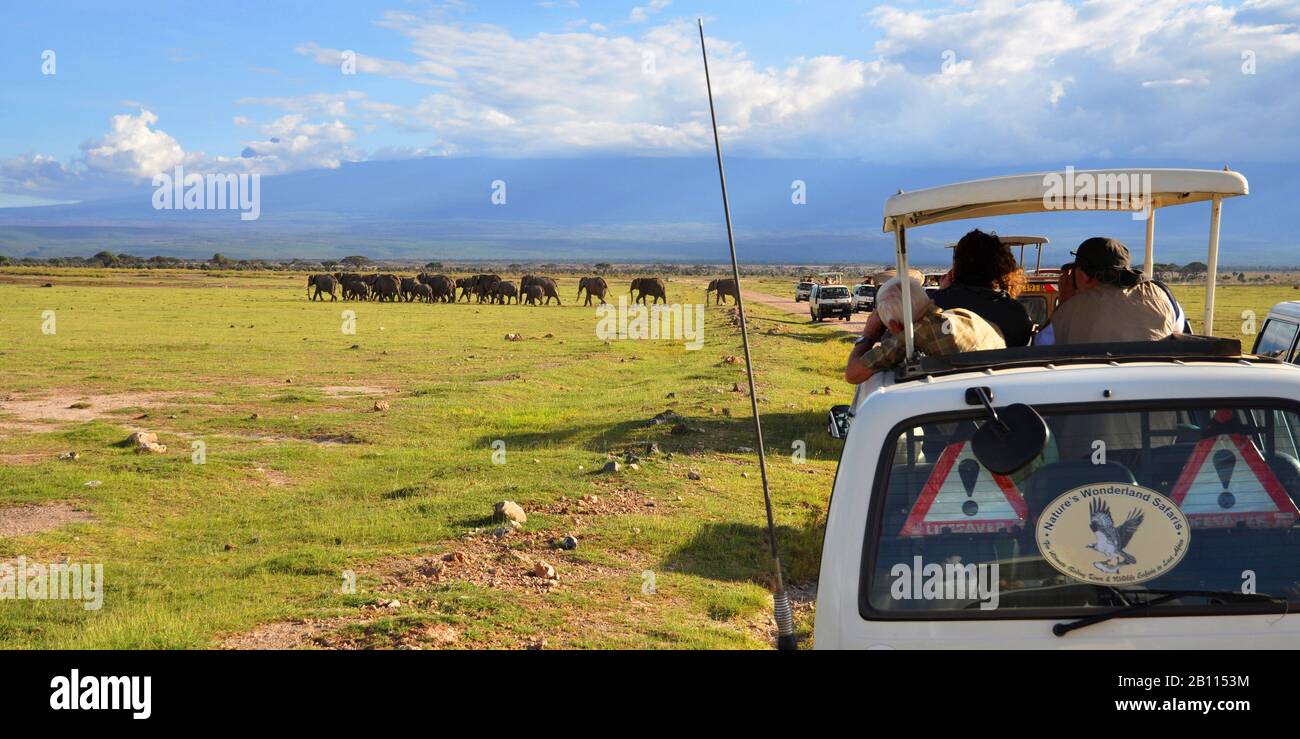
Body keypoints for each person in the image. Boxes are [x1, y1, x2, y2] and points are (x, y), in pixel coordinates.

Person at [845, 276, 1007, 385]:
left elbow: (853, 374)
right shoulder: (963, 315)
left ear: (895, 326)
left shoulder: (914, 335)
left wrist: (868, 336)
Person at [1035, 237, 1181, 345]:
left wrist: (1064, 302)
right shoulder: (1163, 296)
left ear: (1085, 277)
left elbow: (1041, 345)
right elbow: (1178, 331)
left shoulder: (1070, 310)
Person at [930, 229, 1034, 346]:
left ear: (957, 268)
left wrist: (942, 292)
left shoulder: (935, 303)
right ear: (1000, 269)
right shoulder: (1017, 315)